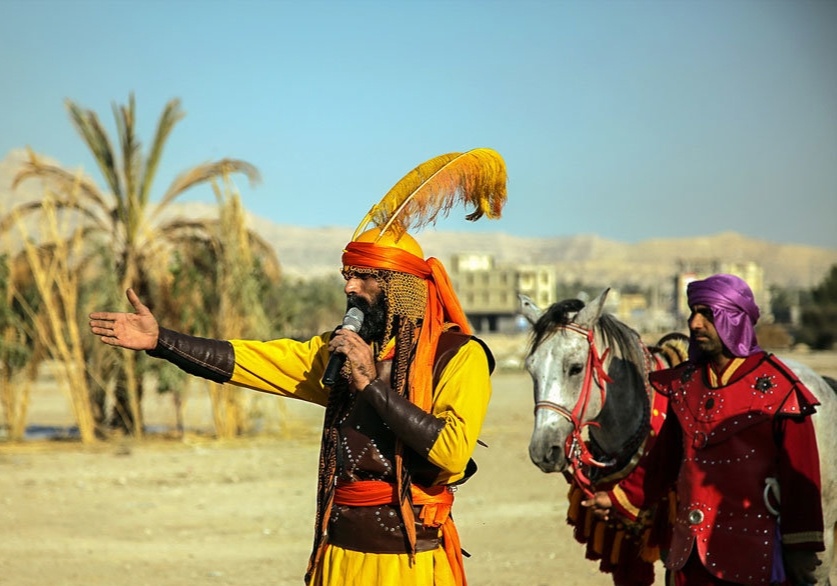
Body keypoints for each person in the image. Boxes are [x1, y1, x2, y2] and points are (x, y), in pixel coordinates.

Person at [88, 149, 506, 586]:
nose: (349, 286)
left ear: (400, 286)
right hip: (338, 557)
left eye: (364, 276)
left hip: (408, 566)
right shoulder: (339, 353)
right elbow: (253, 360)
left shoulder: (458, 356)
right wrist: (163, 341)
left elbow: (453, 450)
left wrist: (370, 386)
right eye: (347, 274)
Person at [582, 273, 824, 586]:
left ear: (736, 319)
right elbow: (663, 462)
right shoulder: (684, 384)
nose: (694, 324)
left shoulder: (780, 389)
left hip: (757, 557)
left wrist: (802, 549)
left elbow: (802, 479)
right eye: (693, 312)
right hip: (688, 558)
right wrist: (616, 497)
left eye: (707, 314)